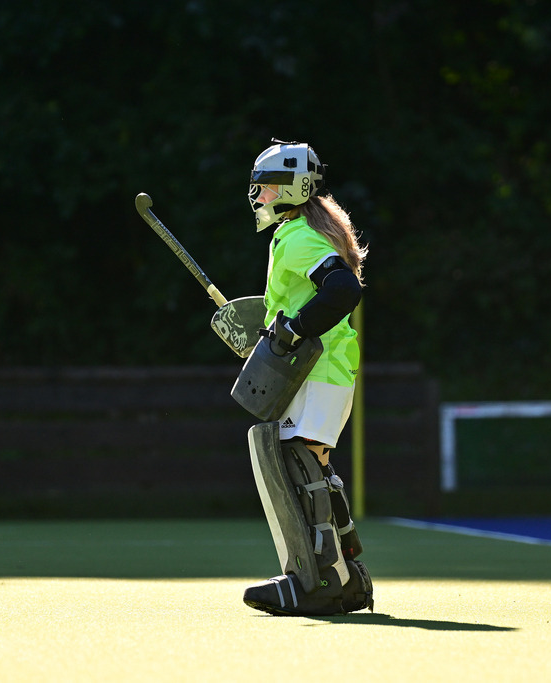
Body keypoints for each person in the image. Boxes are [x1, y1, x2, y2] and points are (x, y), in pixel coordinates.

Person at [239, 140, 374, 616]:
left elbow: (341, 289)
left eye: (266, 188)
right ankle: (347, 582)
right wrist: (279, 331)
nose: (259, 197)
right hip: (326, 372)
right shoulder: (307, 229)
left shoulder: (297, 235)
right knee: (315, 469)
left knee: (301, 467)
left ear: (290, 189)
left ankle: (314, 584)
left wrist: (293, 331)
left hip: (317, 373)